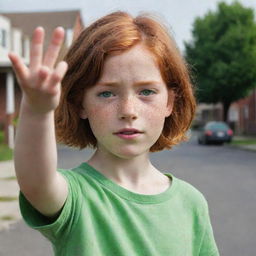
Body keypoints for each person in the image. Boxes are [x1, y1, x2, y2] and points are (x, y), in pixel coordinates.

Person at [8, 11, 220, 256]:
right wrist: (37, 110)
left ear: (170, 103)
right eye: (107, 93)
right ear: (80, 105)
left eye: (147, 92)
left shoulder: (191, 203)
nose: (128, 111)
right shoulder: (75, 196)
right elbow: (36, 182)